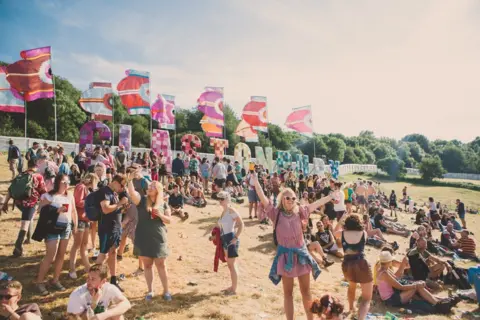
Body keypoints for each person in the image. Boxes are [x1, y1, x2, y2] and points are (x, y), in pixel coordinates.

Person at [253, 173, 332, 320]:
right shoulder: (275, 213)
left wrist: (329, 197)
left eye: (293, 198)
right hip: (285, 257)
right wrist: (256, 182)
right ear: (282, 199)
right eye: (287, 197)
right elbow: (263, 198)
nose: (290, 200)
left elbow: (316, 204)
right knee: (288, 293)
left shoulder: (300, 212)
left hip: (301, 255)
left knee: (306, 292)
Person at [127, 178, 173, 301]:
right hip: (143, 236)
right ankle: (150, 290)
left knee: (161, 265)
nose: (149, 187)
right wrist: (129, 179)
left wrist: (160, 215)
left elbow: (169, 220)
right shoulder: (142, 201)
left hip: (158, 236)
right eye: (149, 186)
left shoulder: (164, 203)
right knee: (147, 265)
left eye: (152, 186)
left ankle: (166, 291)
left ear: (158, 190)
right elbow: (132, 193)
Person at [35, 173, 78, 295]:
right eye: (64, 182)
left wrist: (75, 226)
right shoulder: (50, 196)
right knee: (50, 256)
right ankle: (39, 282)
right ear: (58, 182)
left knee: (61, 255)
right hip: (52, 229)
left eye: (68, 182)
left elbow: (73, 211)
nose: (67, 184)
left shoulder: (69, 195)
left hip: (66, 227)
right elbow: (40, 210)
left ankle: (55, 280)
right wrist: (56, 210)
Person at [376, 251, 458, 313]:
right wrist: (415, 284)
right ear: (389, 261)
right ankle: (439, 304)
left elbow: (397, 278)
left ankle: (439, 302)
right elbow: (400, 286)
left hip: (393, 295)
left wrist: (414, 283)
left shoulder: (383, 269)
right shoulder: (385, 273)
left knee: (417, 285)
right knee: (417, 286)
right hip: (392, 300)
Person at [2, 159, 47, 257]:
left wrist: (5, 203)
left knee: (28, 219)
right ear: (37, 166)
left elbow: (10, 190)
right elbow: (43, 191)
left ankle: (28, 239)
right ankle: (18, 248)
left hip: (19, 202)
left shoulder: (20, 175)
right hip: (30, 204)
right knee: (25, 224)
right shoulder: (38, 176)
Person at [95, 175, 129, 292]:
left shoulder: (114, 192)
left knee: (113, 253)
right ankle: (92, 282)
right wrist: (120, 203)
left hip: (115, 227)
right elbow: (105, 208)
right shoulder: (105, 191)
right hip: (107, 228)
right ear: (114, 182)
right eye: (121, 185)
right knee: (103, 254)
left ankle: (113, 280)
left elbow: (114, 209)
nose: (122, 188)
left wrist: (122, 207)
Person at [210, 191, 245, 295]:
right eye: (219, 199)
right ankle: (232, 287)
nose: (220, 201)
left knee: (232, 265)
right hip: (224, 239)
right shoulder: (224, 212)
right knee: (230, 265)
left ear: (227, 199)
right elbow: (221, 228)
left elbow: (241, 224)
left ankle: (234, 289)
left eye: (222, 199)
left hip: (230, 238)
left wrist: (235, 237)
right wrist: (214, 236)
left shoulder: (231, 210)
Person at [67, 264, 131, 319]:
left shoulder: (108, 288)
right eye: (88, 277)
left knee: (115, 310)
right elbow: (75, 318)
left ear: (103, 281)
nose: (88, 281)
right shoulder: (77, 294)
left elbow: (126, 304)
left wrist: (105, 315)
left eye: (93, 279)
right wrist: (93, 304)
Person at [341, 215, 372, 320]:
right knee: (366, 299)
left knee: (351, 286)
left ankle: (351, 308)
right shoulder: (363, 233)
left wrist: (341, 220)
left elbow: (334, 230)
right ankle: (361, 318)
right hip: (361, 263)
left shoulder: (342, 234)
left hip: (347, 264)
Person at [70, 173, 99, 279]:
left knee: (84, 244)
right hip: (79, 219)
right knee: (77, 245)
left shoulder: (85, 188)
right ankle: (72, 268)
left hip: (85, 219)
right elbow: (78, 202)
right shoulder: (81, 187)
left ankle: (87, 266)